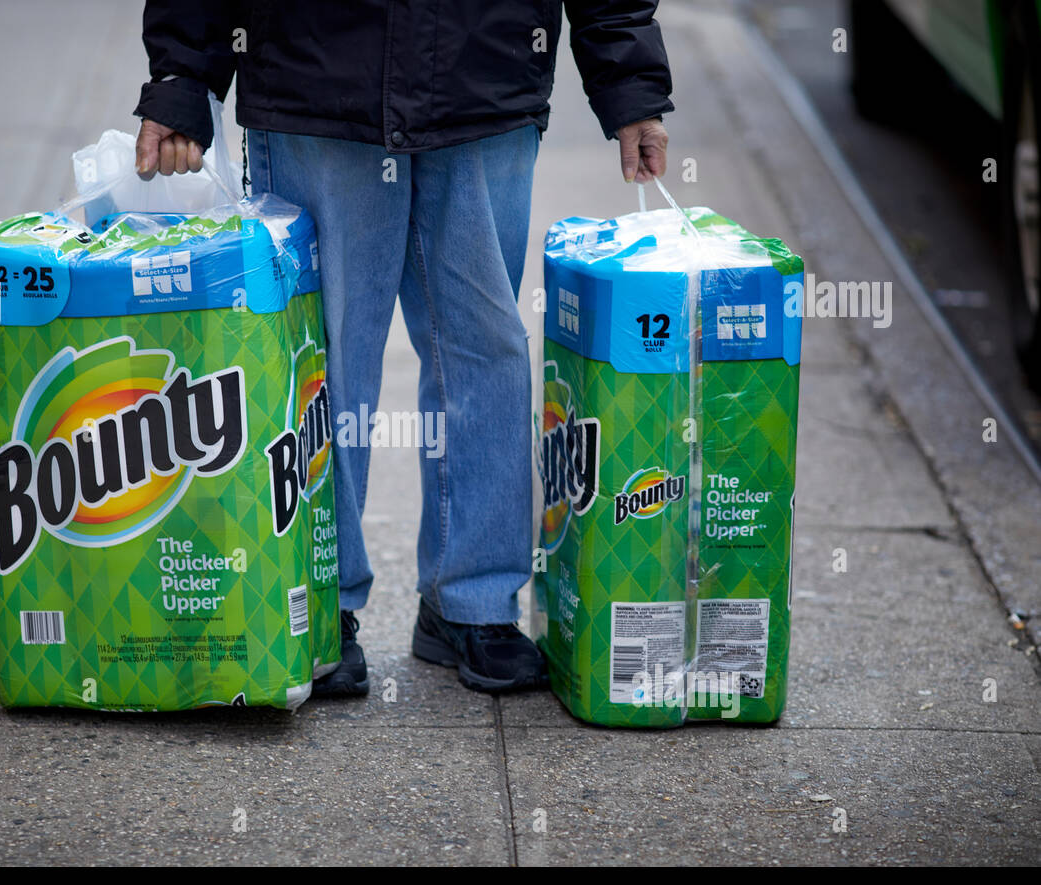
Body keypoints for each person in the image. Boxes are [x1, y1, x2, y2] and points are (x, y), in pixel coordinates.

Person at [134, 1, 672, 697]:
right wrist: (183, 71)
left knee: (487, 348)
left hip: (484, 76)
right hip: (317, 80)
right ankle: (316, 598)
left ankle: (472, 601)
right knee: (320, 359)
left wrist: (629, 85)